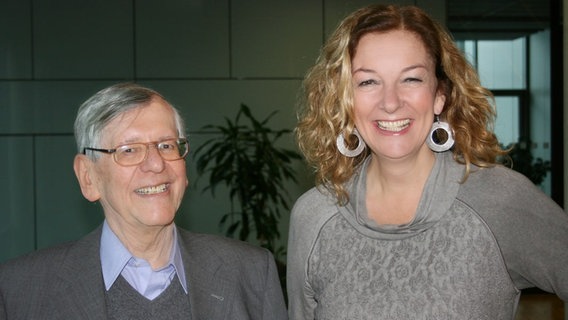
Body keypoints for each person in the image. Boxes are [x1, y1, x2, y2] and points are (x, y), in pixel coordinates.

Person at [287, 4, 568, 319]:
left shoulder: (500, 200)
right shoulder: (314, 216)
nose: (390, 102)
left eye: (411, 79)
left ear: (439, 95)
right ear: (345, 99)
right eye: (367, 82)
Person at [0, 82, 288, 320]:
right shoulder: (19, 290)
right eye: (129, 150)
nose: (156, 164)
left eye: (166, 145)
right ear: (88, 177)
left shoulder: (251, 273)